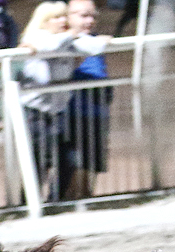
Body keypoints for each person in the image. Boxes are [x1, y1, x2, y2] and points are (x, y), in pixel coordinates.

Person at [20, 0, 109, 201]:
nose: (62, 21)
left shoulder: (66, 38)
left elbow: (90, 46)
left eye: (63, 16)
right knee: (38, 163)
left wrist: (103, 41)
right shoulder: (38, 37)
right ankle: (26, 204)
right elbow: (47, 46)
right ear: (44, 21)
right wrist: (71, 35)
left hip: (57, 111)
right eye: (56, 17)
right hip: (35, 112)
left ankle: (55, 201)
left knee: (69, 159)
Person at [60, 0, 108, 200]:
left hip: (96, 112)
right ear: (68, 17)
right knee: (72, 167)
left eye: (93, 16)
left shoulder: (95, 39)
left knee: (90, 167)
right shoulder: (63, 41)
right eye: (83, 15)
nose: (90, 21)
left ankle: (83, 201)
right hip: (71, 115)